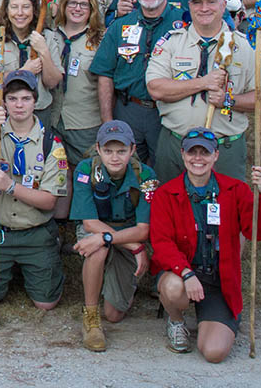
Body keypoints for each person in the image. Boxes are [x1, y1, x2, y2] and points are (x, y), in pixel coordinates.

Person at [150, 128, 261, 362]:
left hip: (218, 282)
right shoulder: (165, 194)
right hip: (182, 275)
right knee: (172, 287)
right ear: (182, 154)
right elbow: (162, 244)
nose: (198, 158)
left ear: (216, 156)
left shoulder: (236, 190)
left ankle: (212, 316)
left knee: (214, 353)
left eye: (205, 152)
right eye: (192, 152)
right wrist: (186, 273)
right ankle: (177, 320)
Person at [146, 0, 261, 183]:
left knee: (227, 210)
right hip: (176, 145)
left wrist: (228, 101)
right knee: (171, 208)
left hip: (224, 150)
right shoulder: (171, 42)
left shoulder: (247, 47)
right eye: (198, 2)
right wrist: (203, 83)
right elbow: (156, 88)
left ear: (223, 5)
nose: (204, 8)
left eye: (211, 1)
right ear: (189, 6)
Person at [0, 70, 67, 310]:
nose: (19, 105)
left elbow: (49, 202)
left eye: (25, 99)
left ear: (36, 101)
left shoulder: (51, 144)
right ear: (4, 103)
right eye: (12, 99)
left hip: (35, 230)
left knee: (46, 303)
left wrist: (10, 186)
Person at [69, 121, 157, 352]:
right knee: (98, 249)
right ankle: (91, 318)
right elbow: (89, 222)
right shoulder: (86, 169)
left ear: (132, 150)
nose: (114, 157)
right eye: (108, 151)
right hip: (98, 231)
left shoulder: (146, 176)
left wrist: (110, 238)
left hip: (127, 231)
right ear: (98, 149)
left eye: (121, 151)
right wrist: (131, 245)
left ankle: (117, 283)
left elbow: (143, 229)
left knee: (115, 314)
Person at [91, 0, 186, 165]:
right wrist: (108, 121)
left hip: (168, 110)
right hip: (128, 110)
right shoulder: (121, 25)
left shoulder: (184, 24)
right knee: (129, 171)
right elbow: (105, 74)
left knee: (166, 168)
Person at [0, 0, 63, 125]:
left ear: (34, 9)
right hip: (6, 111)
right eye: (14, 7)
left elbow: (52, 82)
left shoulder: (47, 37)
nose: (20, 13)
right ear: (6, 10)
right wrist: (24, 72)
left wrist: (43, 51)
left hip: (39, 111)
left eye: (26, 7)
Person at [51, 0, 105, 171]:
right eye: (72, 3)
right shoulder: (50, 35)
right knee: (57, 176)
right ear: (64, 6)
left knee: (85, 174)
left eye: (84, 4)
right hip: (53, 120)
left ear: (92, 9)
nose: (77, 8)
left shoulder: (101, 40)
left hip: (85, 123)